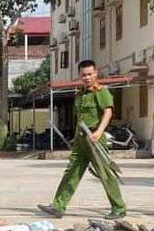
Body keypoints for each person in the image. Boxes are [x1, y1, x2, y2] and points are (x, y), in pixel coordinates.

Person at [38, 59, 126, 220]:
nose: (87, 78)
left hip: (95, 139)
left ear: (96, 73)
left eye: (90, 74)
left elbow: (108, 112)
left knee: (105, 173)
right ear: (80, 75)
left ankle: (119, 208)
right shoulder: (80, 94)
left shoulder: (101, 92)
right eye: (84, 75)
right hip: (81, 140)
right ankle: (58, 206)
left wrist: (100, 131)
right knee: (71, 172)